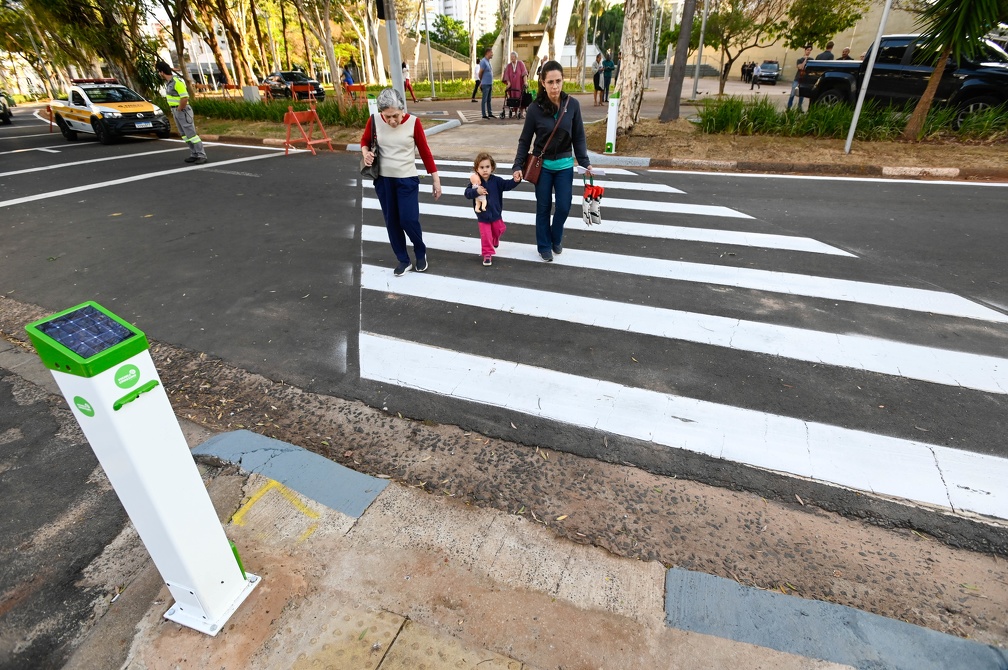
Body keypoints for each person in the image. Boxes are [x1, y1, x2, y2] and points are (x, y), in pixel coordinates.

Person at [511, 60, 593, 262]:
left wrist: (585, 163)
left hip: (565, 165)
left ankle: (556, 236)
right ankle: (544, 245)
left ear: (563, 80)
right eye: (550, 82)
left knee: (564, 206)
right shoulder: (534, 109)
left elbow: (579, 137)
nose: (555, 86)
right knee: (544, 206)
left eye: (558, 81)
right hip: (543, 167)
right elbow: (525, 140)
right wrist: (517, 165)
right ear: (542, 82)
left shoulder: (572, 105)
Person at [360, 87, 442, 276]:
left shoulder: (414, 123)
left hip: (407, 179)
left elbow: (425, 152)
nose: (391, 121)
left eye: (395, 115)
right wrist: (366, 154)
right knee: (392, 221)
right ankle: (403, 259)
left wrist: (436, 180)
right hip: (383, 181)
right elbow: (364, 141)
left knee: (408, 219)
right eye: (387, 116)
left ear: (402, 109)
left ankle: (420, 252)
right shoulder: (373, 121)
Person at [465, 152, 520, 266]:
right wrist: (476, 191)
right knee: (486, 235)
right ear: (476, 169)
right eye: (481, 167)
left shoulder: (497, 181)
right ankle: (487, 254)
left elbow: (507, 185)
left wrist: (515, 180)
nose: (485, 170)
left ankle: (495, 239)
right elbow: (467, 193)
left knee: (499, 229)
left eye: (487, 167)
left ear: (492, 168)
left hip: (496, 213)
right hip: (482, 215)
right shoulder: (475, 183)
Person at [156, 61, 206, 164]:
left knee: (191, 134)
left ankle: (201, 155)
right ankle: (194, 154)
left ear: (161, 72)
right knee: (184, 134)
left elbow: (184, 97)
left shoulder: (176, 82)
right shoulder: (169, 83)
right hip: (176, 111)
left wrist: (179, 109)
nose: (158, 74)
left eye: (158, 72)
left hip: (182, 110)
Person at [501, 51, 528, 118]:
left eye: (513, 57)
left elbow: (524, 73)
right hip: (512, 86)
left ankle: (521, 113)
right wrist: (508, 83)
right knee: (513, 97)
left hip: (519, 84)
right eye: (511, 57)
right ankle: (515, 113)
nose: (512, 58)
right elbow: (506, 75)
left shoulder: (521, 63)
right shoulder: (509, 66)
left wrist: (525, 82)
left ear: (516, 57)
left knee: (521, 97)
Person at [787, 45, 812, 111]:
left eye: (810, 50)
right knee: (792, 93)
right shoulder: (800, 59)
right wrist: (805, 60)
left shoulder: (811, 60)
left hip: (805, 79)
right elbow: (800, 67)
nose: (808, 51)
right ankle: (789, 107)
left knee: (802, 94)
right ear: (805, 50)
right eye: (807, 50)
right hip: (797, 78)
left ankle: (799, 107)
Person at [478, 48, 495, 119]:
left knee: (489, 99)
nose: (492, 54)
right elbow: (480, 73)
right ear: (487, 53)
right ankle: (484, 114)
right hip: (485, 84)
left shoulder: (488, 61)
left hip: (490, 83)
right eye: (491, 53)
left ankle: (490, 113)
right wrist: (482, 80)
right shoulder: (483, 61)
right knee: (484, 99)